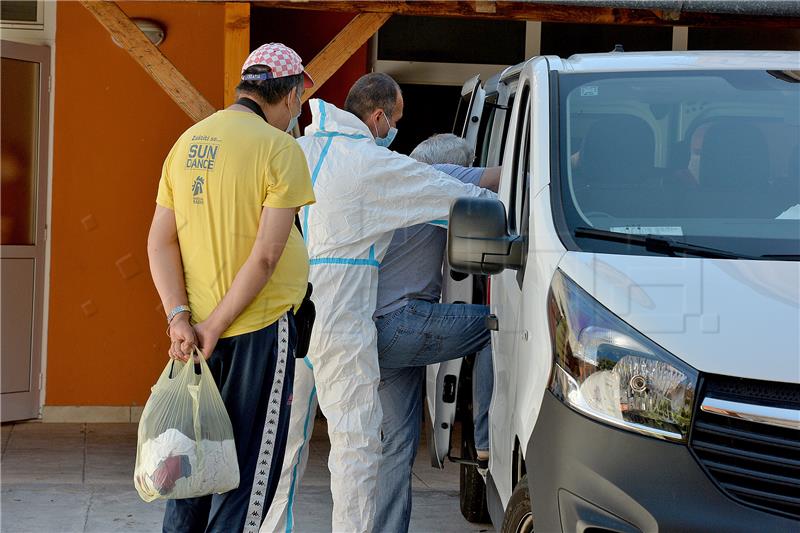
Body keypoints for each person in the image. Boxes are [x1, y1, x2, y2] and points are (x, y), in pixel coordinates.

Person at [261, 74, 496, 533]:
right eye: (397, 119)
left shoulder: (296, 153)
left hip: (287, 320)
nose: (397, 131)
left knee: (280, 452)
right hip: (342, 323)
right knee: (357, 451)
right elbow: (463, 196)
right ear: (379, 117)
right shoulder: (372, 163)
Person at [147, 42, 315, 533]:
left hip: (193, 339)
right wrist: (217, 325)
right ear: (287, 97)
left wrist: (180, 319)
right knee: (246, 481)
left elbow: (159, 243)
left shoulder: (188, 142)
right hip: (259, 332)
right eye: (297, 104)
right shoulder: (280, 149)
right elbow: (265, 256)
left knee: (188, 470)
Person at [374, 134, 500, 532]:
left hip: (372, 330)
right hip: (406, 323)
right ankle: (483, 440)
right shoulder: (439, 175)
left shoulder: (393, 180)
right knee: (497, 325)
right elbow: (506, 177)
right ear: (457, 164)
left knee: (396, 445)